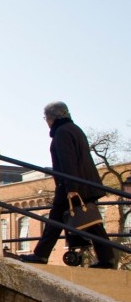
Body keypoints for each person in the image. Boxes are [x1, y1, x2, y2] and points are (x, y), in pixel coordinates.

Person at [21, 101, 115, 268]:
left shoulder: (62, 133)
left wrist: (71, 188)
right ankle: (107, 259)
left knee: (57, 219)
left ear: (51, 118)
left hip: (72, 187)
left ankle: (41, 255)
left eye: (45, 118)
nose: (46, 121)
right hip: (83, 184)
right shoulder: (75, 129)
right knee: (91, 222)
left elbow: (67, 161)